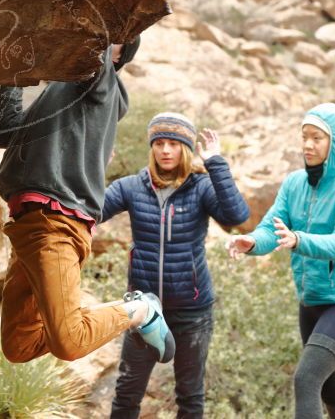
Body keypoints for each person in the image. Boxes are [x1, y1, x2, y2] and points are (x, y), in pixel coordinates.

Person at [0, 36, 175, 365]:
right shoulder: (59, 96)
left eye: (113, 45)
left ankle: (141, 311)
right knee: (18, 346)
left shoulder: (102, 85)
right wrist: (13, 72)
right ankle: (86, 316)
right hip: (25, 226)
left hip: (55, 223)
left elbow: (95, 39)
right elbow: (4, 133)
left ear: (116, 56)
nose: (103, 48)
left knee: (70, 342)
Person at [101, 113, 250, 418]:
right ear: (151, 148)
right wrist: (95, 166)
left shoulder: (201, 187)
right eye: (159, 143)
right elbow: (92, 210)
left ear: (185, 148)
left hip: (192, 310)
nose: (166, 150)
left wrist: (216, 164)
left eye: (173, 143)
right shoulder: (131, 186)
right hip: (143, 309)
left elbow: (236, 217)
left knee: (190, 396)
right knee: (127, 392)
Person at [226, 103, 335, 419]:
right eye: (304, 136)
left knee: (306, 378)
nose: (308, 144)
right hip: (309, 300)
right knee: (330, 389)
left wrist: (299, 239)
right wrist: (252, 241)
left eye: (317, 138)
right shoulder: (294, 182)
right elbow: (272, 227)